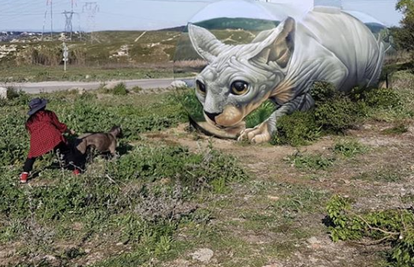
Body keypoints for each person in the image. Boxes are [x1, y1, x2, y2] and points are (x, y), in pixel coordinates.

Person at [19, 98, 82, 183]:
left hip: (36, 139)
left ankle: (24, 176)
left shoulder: (29, 121)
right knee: (66, 149)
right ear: (43, 106)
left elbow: (31, 131)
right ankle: (75, 170)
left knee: (31, 156)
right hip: (53, 135)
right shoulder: (48, 114)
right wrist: (69, 131)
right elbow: (59, 126)